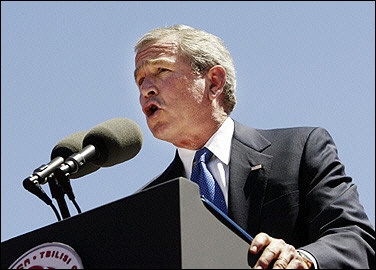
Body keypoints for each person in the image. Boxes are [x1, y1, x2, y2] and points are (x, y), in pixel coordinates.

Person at [132, 24, 375, 269]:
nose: (145, 89)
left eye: (161, 70)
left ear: (214, 82)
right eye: (140, 80)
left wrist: (304, 260)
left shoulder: (299, 150)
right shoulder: (146, 206)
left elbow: (356, 239)